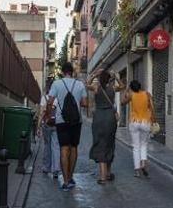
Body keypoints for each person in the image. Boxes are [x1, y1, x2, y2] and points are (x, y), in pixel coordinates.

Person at [47, 62, 87, 191]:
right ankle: (70, 177)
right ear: (72, 72)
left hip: (61, 120)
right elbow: (85, 103)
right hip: (76, 120)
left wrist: (48, 115)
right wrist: (76, 101)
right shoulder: (80, 84)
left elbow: (50, 101)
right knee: (74, 148)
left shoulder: (57, 84)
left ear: (63, 72)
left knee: (64, 148)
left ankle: (65, 182)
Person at [87, 69, 125, 184]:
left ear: (100, 78)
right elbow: (122, 86)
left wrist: (94, 75)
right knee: (109, 143)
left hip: (99, 117)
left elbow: (86, 84)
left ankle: (103, 176)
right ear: (109, 78)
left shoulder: (96, 87)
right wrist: (117, 76)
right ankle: (108, 173)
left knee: (100, 143)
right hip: (110, 118)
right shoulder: (113, 87)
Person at [121, 79, 156, 178]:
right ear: (140, 86)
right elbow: (152, 108)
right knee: (143, 144)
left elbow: (122, 102)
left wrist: (126, 91)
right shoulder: (147, 94)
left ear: (132, 88)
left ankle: (137, 171)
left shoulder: (131, 95)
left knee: (136, 147)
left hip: (134, 122)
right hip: (145, 122)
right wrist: (154, 120)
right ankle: (143, 164)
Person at [38, 80, 60, 178]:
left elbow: (42, 112)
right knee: (55, 146)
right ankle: (56, 169)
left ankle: (46, 167)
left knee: (47, 145)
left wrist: (38, 125)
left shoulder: (44, 98)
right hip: (56, 124)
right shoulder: (58, 98)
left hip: (46, 125)